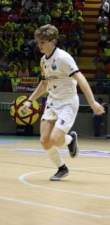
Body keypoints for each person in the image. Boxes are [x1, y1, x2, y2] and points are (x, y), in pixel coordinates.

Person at [22, 24, 105, 181]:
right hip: (53, 101)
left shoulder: (63, 58)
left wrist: (92, 102)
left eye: (43, 42)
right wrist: (29, 100)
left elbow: (80, 78)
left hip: (67, 101)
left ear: (53, 42)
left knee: (55, 139)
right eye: (38, 42)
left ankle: (70, 139)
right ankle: (62, 168)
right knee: (44, 141)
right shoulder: (43, 61)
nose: (39, 45)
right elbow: (44, 83)